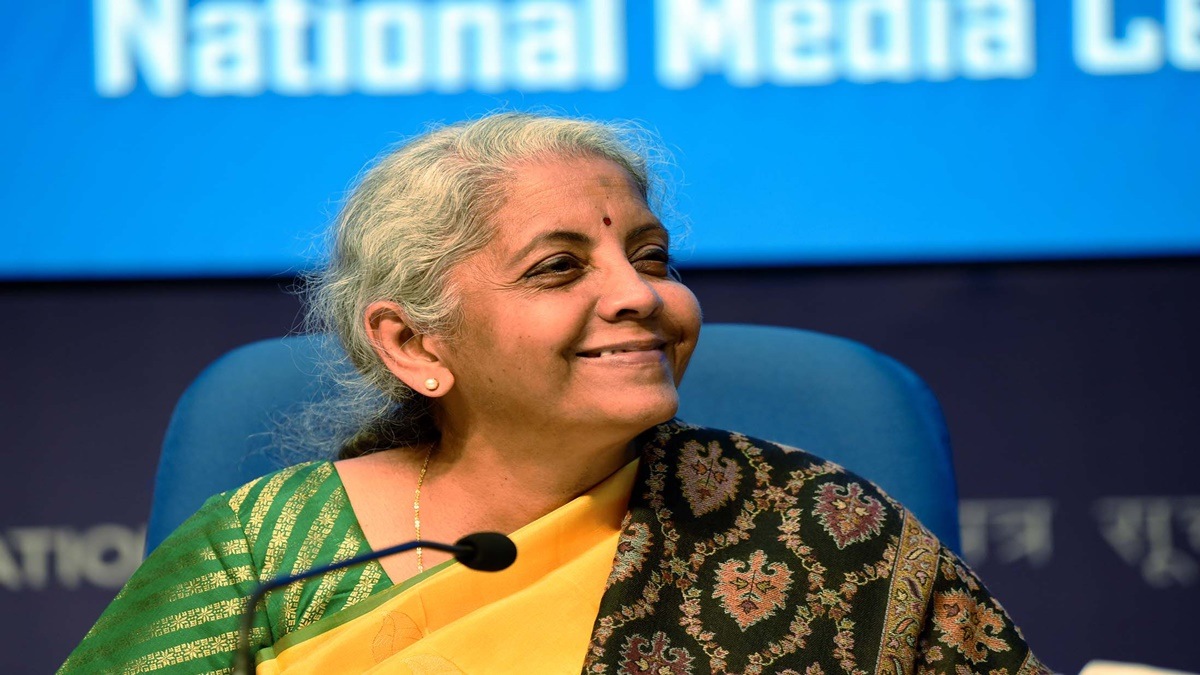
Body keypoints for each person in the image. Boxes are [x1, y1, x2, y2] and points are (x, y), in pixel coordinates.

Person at [60, 113, 1048, 674]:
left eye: (649, 256)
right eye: (559, 268)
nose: (640, 297)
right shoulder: (270, 555)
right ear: (413, 342)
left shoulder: (819, 527)